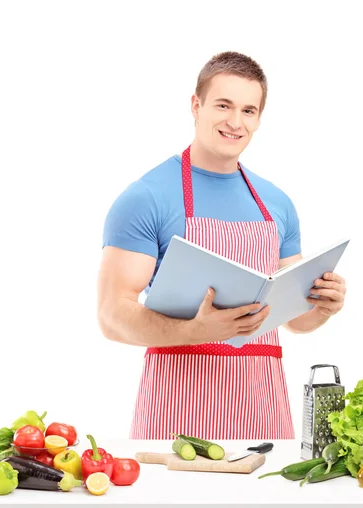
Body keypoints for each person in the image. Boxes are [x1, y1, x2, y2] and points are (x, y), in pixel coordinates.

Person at [98, 51, 347, 440]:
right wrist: (197, 330)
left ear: (259, 119)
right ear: (196, 106)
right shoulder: (146, 197)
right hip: (177, 412)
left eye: (248, 110)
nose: (235, 122)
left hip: (264, 408)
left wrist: (324, 306)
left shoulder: (277, 203)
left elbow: (297, 320)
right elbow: (112, 317)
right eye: (223, 105)